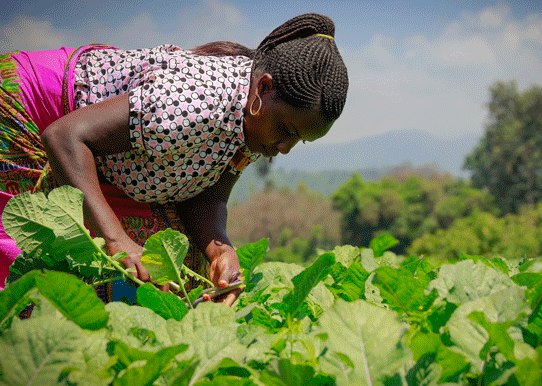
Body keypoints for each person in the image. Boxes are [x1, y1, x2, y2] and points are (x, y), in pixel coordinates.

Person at [0, 13, 349, 305]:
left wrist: (221, 251)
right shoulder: (196, 103)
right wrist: (118, 241)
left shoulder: (255, 126)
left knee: (183, 269)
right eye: (286, 129)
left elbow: (206, 195)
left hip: (110, 157)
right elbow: (64, 137)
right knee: (29, 266)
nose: (285, 147)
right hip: (35, 115)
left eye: (298, 140)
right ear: (263, 89)